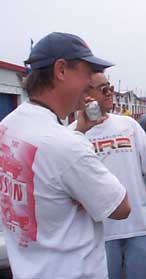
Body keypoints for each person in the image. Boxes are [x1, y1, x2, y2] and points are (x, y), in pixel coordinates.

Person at [0, 32, 131, 278]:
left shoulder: (8, 125)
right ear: (61, 70)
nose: (90, 83)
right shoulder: (65, 145)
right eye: (87, 71)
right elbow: (121, 207)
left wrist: (79, 130)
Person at [69, 72, 146, 279]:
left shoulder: (129, 125)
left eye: (110, 88)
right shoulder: (72, 134)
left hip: (142, 226)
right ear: (84, 95)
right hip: (98, 233)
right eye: (103, 90)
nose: (110, 94)